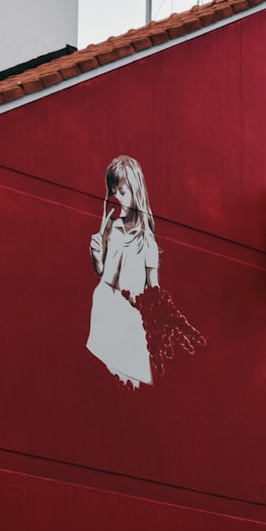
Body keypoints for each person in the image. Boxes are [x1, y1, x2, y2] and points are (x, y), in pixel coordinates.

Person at [86, 155, 159, 387]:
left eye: (123, 191)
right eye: (113, 191)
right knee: (99, 377)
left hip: (128, 317)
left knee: (126, 379)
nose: (117, 198)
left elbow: (154, 288)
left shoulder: (147, 242)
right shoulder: (111, 228)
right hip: (103, 306)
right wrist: (96, 257)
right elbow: (102, 272)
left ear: (136, 191)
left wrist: (142, 302)